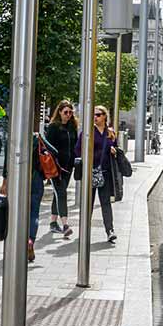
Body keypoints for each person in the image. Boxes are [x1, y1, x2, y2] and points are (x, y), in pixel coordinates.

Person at [76, 105, 120, 243]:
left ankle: (110, 230)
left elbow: (116, 149)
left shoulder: (110, 133)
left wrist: (114, 151)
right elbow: (78, 150)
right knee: (88, 202)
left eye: (98, 114)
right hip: (90, 173)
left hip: (105, 173)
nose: (95, 117)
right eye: (93, 115)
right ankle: (84, 230)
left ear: (105, 116)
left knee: (105, 202)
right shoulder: (88, 132)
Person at [0, 136, 48, 262]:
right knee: (34, 213)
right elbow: (53, 152)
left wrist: (5, 182)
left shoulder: (11, 137)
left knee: (16, 214)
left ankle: (16, 245)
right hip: (36, 178)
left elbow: (7, 163)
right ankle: (30, 240)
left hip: (17, 179)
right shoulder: (37, 139)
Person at [44, 100, 78, 239]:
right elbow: (48, 147)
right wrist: (55, 162)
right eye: (65, 112)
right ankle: (65, 224)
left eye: (70, 112)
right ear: (59, 112)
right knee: (61, 193)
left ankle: (53, 222)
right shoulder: (53, 127)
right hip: (56, 167)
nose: (68, 115)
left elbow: (75, 145)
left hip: (68, 166)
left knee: (58, 194)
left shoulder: (72, 127)